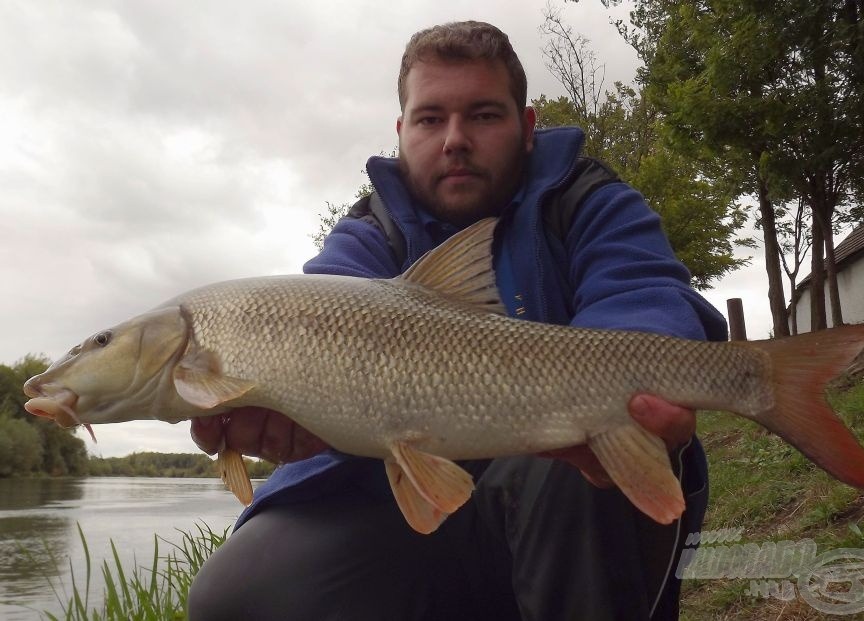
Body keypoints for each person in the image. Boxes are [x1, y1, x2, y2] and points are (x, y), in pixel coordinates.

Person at [188, 21, 726, 621]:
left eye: (484, 115)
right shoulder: (367, 239)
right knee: (233, 597)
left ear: (526, 128)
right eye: (429, 119)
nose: (454, 140)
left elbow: (646, 297)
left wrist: (618, 391)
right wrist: (300, 422)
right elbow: (319, 330)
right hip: (404, 512)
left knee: (581, 443)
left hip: (565, 503)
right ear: (401, 133)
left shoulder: (590, 203)